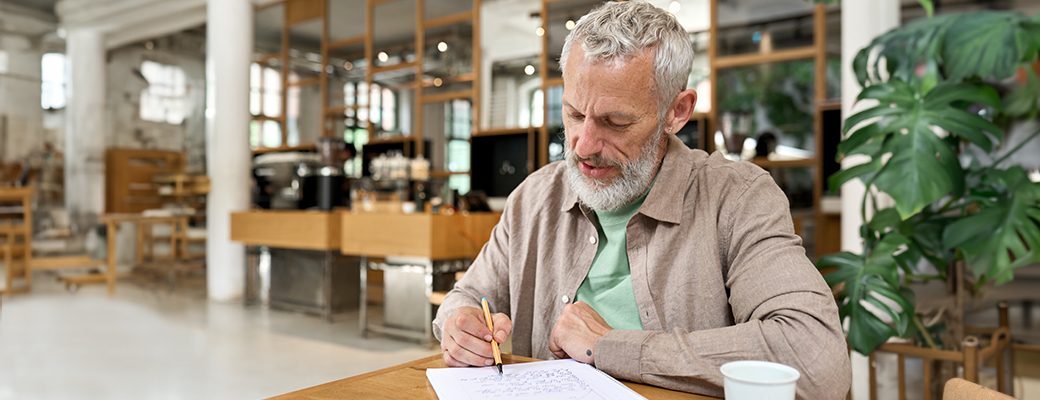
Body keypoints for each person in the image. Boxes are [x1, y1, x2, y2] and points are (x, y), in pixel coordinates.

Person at [432, 2, 851, 399]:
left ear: (677, 112)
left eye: (615, 122)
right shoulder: (535, 197)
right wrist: (459, 325)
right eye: (574, 115)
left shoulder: (736, 198)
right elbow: (468, 297)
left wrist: (610, 347)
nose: (583, 146)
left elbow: (815, 358)